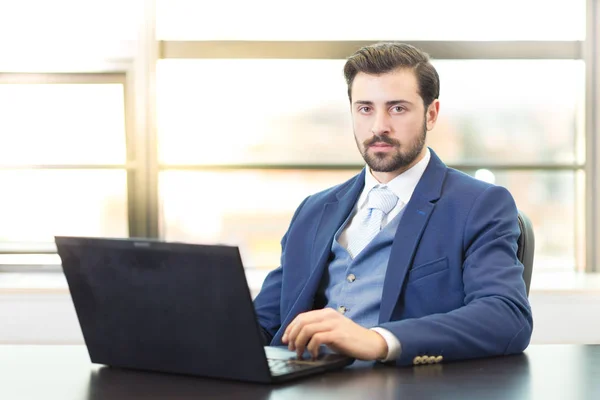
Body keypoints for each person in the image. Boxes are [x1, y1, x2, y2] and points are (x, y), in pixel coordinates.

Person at [253, 42, 533, 367]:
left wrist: (379, 340)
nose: (379, 127)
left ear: (431, 114)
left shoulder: (480, 204)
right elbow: (262, 324)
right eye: (365, 108)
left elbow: (506, 316)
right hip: (302, 387)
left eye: (397, 108)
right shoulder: (313, 210)